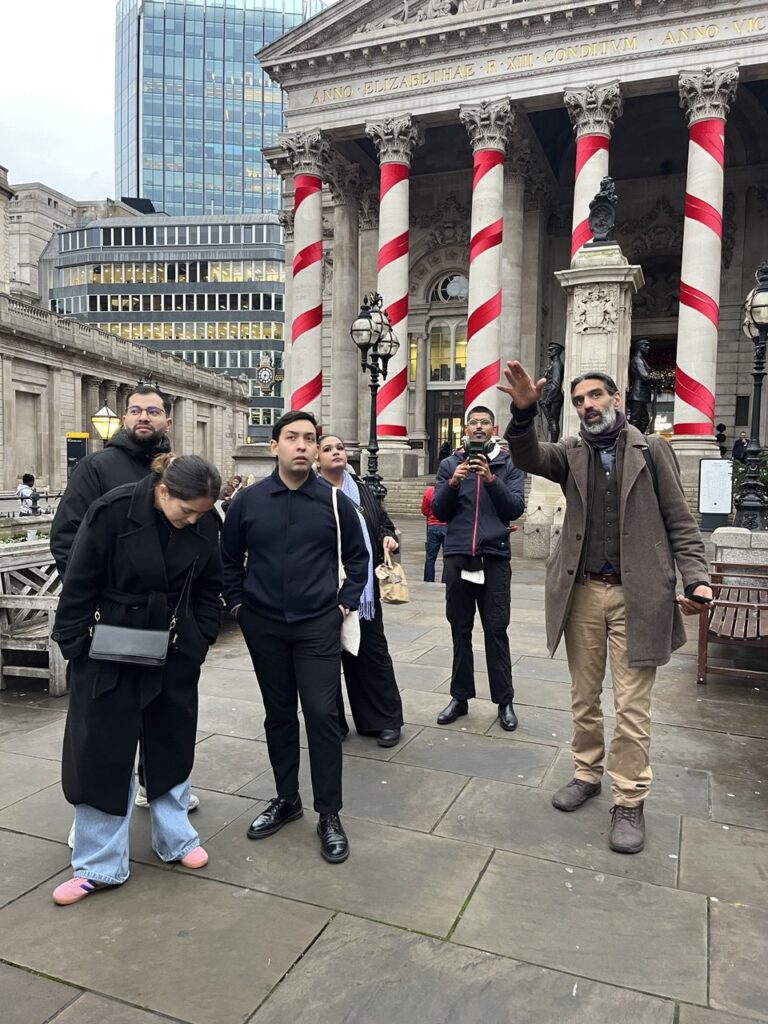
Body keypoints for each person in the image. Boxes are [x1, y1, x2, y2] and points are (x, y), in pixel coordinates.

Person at [501, 360, 712, 855]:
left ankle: (630, 798)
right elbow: (527, 454)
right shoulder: (570, 452)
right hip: (583, 593)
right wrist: (523, 411)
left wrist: (697, 579)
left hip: (640, 596)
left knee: (633, 706)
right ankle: (586, 772)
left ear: (615, 398)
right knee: (584, 696)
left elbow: (681, 522)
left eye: (595, 396)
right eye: (578, 400)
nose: (587, 405)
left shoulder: (652, 449)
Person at [50, 455, 223, 905]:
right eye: (187, 511)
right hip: (109, 648)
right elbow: (79, 580)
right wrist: (76, 649)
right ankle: (98, 864)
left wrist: (200, 636)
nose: (193, 521)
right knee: (99, 753)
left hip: (174, 647)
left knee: (172, 742)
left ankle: (176, 839)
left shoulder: (206, 520)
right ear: (163, 491)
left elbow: (210, 585)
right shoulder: (112, 511)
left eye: (201, 513)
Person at [51, 381, 201, 831]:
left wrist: (199, 628)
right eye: (135, 410)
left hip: (168, 622)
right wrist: (95, 603)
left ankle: (156, 785)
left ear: (167, 421)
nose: (143, 418)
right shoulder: (98, 467)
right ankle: (94, 819)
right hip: (112, 621)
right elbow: (68, 540)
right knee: (100, 727)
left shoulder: (179, 471)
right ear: (123, 417)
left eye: (153, 411)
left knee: (166, 717)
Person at [221, 411, 368, 864]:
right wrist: (239, 607)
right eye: (292, 438)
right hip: (263, 624)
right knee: (278, 714)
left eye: (310, 438)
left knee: (323, 716)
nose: (302, 445)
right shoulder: (248, 502)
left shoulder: (334, 502)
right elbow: (227, 559)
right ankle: (287, 799)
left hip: (316, 625)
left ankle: (329, 813)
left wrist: (343, 602)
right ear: (275, 447)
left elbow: (359, 558)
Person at [432, 405, 525, 732]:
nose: (479, 427)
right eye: (474, 423)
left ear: (493, 428)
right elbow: (439, 511)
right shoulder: (448, 464)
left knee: (496, 630)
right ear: (466, 429)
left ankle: (505, 701)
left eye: (485, 422)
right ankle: (460, 697)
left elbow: (515, 508)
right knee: (460, 630)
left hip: (493, 558)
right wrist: (453, 483)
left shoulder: (508, 464)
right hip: (459, 556)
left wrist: (490, 479)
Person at [316, 434, 404, 748]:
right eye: (327, 449)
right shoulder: (310, 494)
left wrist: (388, 538)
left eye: (339, 448)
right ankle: (332, 724)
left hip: (363, 591)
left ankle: (383, 721)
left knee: (373, 656)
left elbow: (384, 523)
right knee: (326, 661)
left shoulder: (363, 490)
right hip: (324, 591)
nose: (336, 452)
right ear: (317, 459)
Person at [420, 480, 447, 583]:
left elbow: (424, 510)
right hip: (446, 526)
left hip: (432, 526)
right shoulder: (449, 491)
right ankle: (445, 580)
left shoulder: (429, 491)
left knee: (430, 557)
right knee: (447, 557)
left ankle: (428, 580)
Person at [540, 342, 565, 443]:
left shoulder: (557, 364)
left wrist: (548, 400)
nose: (548, 351)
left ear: (557, 351)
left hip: (554, 397)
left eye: (551, 350)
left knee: (553, 421)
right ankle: (552, 443)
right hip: (550, 395)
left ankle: (553, 444)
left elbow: (556, 384)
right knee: (551, 422)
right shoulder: (553, 364)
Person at [627, 338, 653, 434]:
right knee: (636, 420)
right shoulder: (637, 360)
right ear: (639, 347)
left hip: (641, 395)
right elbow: (645, 376)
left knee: (644, 420)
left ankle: (639, 437)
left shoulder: (641, 360)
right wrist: (655, 378)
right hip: (637, 394)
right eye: (645, 345)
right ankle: (632, 438)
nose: (648, 348)